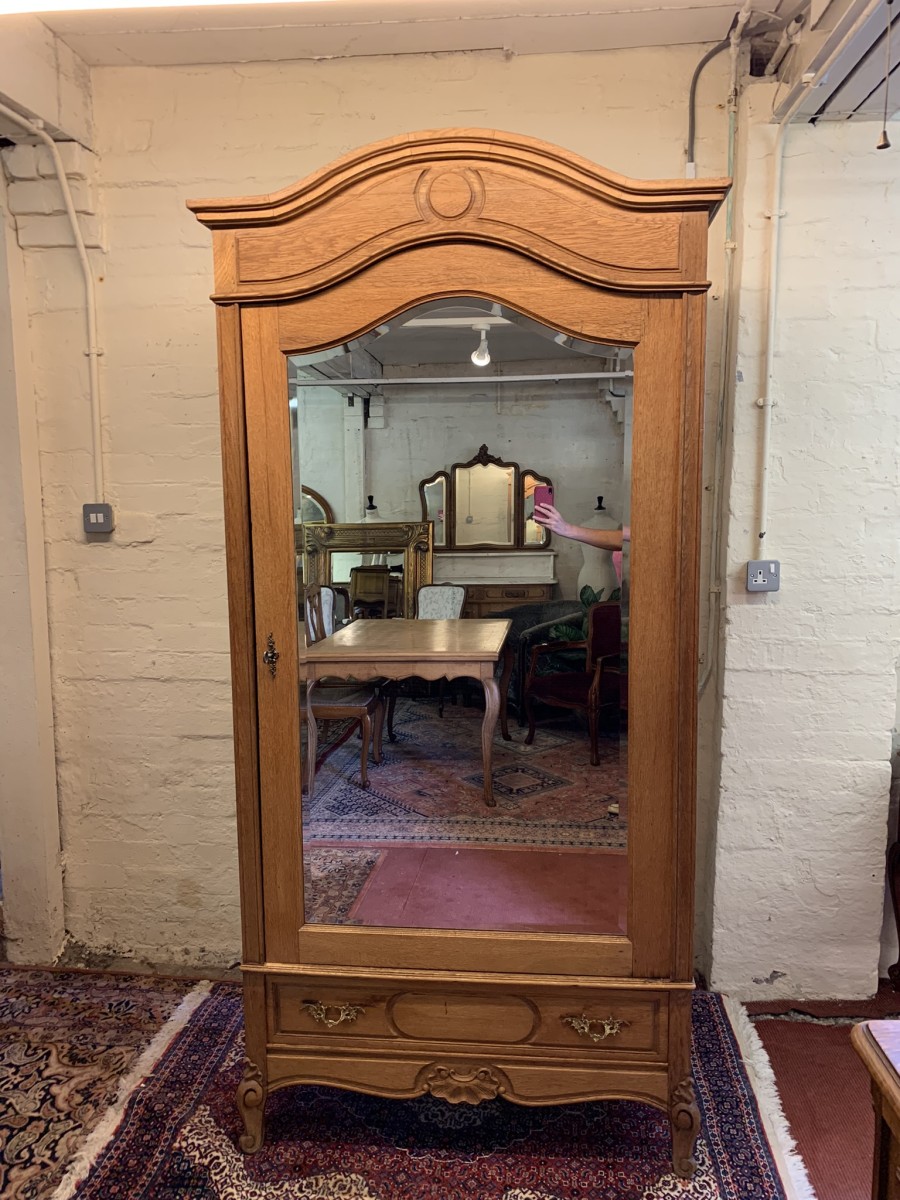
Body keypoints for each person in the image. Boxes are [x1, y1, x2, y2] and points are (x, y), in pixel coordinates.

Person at [533, 502, 627, 551]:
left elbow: (621, 540)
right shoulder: (585, 524)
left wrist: (566, 528)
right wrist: (566, 528)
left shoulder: (616, 525)